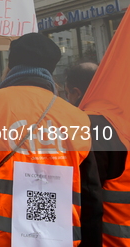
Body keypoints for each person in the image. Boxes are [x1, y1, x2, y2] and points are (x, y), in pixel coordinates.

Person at [0, 33, 102, 246]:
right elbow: (91, 194)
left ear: (10, 65)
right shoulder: (78, 117)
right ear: (51, 70)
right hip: (56, 237)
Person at [66, 62, 128, 245]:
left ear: (76, 92)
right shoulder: (121, 115)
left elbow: (89, 189)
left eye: (67, 93)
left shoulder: (89, 123)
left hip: (111, 238)